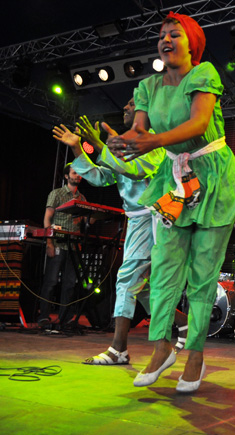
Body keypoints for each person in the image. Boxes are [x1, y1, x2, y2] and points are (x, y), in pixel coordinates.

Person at [104, 11, 235, 392]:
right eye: (162, 35)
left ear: (192, 43)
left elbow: (199, 123)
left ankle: (195, 354)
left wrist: (152, 140)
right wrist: (121, 141)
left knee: (202, 274)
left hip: (212, 179)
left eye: (175, 34)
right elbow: (139, 130)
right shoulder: (148, 86)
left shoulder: (204, 74)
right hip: (174, 182)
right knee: (164, 267)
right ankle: (162, 347)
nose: (166, 40)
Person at [51, 98, 187, 365]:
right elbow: (101, 176)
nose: (125, 108)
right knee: (142, 287)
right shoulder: (125, 144)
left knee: (127, 280)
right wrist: (78, 148)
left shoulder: (156, 142)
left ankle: (118, 349)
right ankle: (183, 321)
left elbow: (134, 170)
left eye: (132, 104)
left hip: (153, 216)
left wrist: (101, 146)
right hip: (137, 219)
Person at [37, 164, 87, 328]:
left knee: (70, 284)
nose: (78, 175)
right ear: (66, 176)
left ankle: (65, 318)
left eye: (79, 173)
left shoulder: (82, 198)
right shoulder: (57, 193)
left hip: (74, 247)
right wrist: (49, 242)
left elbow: (88, 220)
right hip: (58, 243)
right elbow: (47, 218)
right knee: (51, 281)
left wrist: (96, 215)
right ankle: (43, 316)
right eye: (74, 173)